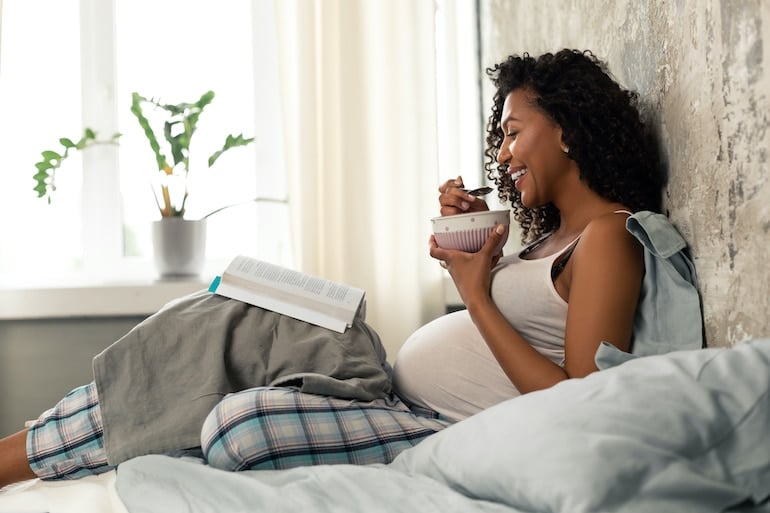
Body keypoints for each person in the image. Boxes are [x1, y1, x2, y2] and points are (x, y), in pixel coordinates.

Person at [0, 49, 703, 489]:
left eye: (514, 132)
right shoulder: (551, 238)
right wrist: (474, 255)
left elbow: (578, 401)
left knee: (234, 426)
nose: (504, 152)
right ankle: (23, 449)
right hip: (387, 388)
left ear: (571, 128)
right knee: (230, 319)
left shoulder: (610, 239)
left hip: (432, 425)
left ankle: (38, 445)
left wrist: (473, 295)